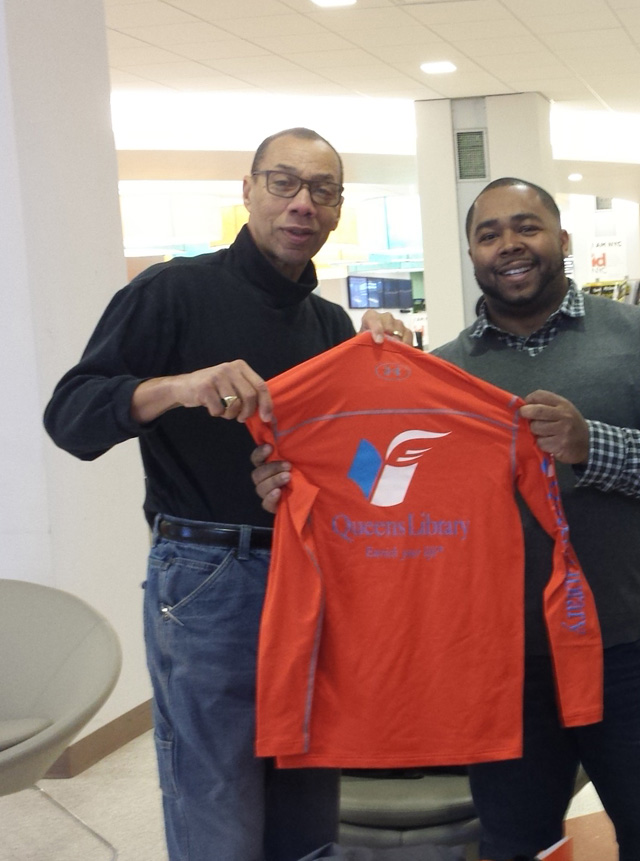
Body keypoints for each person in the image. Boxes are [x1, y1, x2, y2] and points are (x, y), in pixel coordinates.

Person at [253, 177, 640, 861]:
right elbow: (384, 482)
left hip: (630, 642)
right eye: (489, 233)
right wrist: (298, 482)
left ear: (562, 240)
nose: (510, 244)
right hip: (496, 661)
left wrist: (591, 443)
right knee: (514, 841)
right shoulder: (441, 372)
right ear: (472, 254)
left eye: (527, 227)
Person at [43, 127, 406, 861]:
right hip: (210, 578)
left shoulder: (330, 325)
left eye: (322, 191)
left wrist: (384, 377)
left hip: (311, 569)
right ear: (247, 191)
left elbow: (359, 470)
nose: (302, 203)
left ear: (337, 212)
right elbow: (71, 415)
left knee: (308, 797)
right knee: (220, 807)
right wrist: (180, 386)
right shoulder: (174, 291)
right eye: (283, 183)